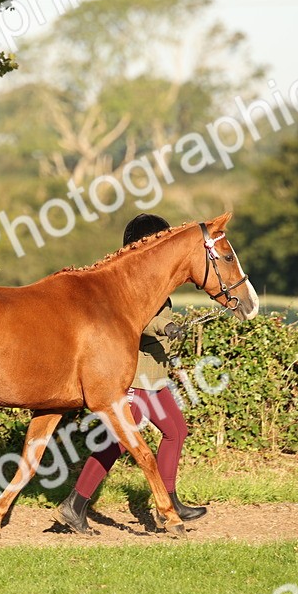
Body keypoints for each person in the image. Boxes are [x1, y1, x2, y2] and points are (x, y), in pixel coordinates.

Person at [53, 213, 207, 535]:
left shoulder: (156, 280)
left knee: (176, 431)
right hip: (135, 379)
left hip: (154, 378)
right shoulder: (133, 284)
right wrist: (166, 325)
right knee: (117, 443)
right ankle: (75, 504)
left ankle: (170, 500)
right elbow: (136, 320)